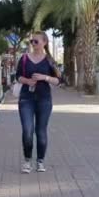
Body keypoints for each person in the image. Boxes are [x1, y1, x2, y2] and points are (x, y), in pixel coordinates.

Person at [15, 31, 61, 173]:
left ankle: (40, 161)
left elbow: (58, 80)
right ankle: (27, 161)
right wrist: (27, 80)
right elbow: (17, 77)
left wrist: (44, 77)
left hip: (44, 100)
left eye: (36, 41)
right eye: (31, 42)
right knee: (27, 131)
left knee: (40, 132)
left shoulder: (49, 60)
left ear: (44, 42)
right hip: (26, 99)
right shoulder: (24, 59)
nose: (33, 44)